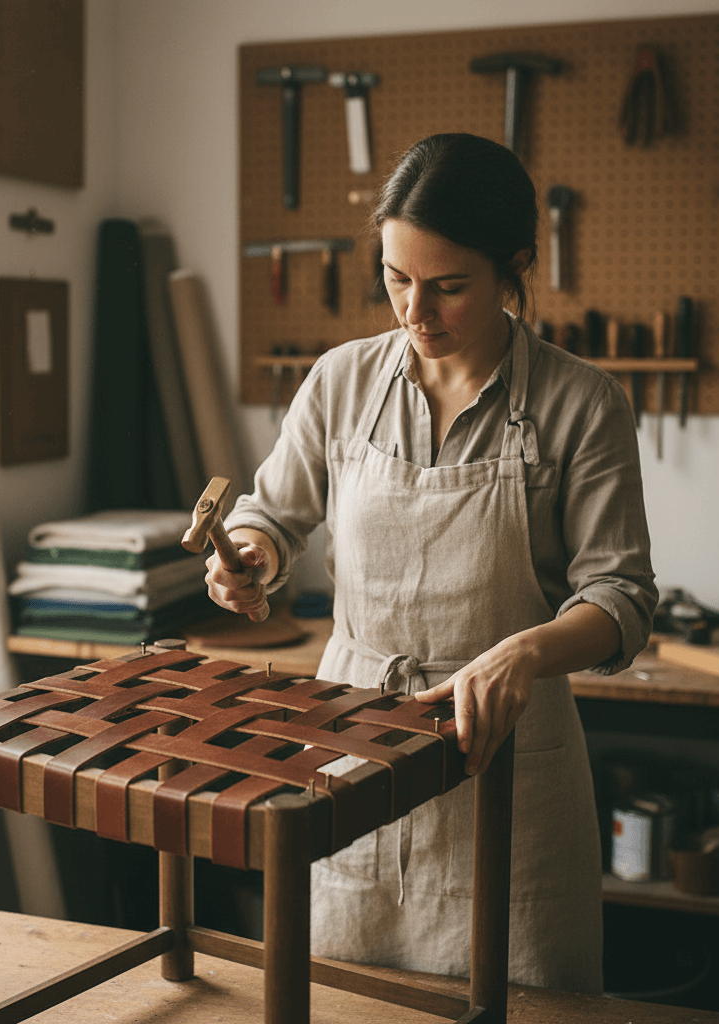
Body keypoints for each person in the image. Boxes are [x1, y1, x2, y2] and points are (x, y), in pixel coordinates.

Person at [205, 133, 656, 993]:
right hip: (352, 750)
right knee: (341, 997)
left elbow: (623, 596)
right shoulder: (340, 382)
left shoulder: (582, 403)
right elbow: (272, 513)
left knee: (518, 1000)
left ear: (514, 267)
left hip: (509, 766)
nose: (416, 311)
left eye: (448, 286)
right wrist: (251, 555)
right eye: (396, 278)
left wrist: (524, 652)